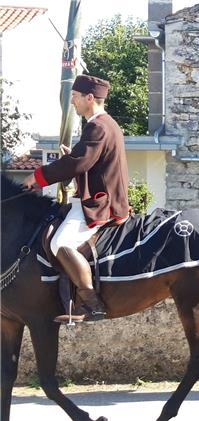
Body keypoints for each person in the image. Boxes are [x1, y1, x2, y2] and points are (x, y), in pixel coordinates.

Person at [22, 74, 130, 323]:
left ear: (89, 97)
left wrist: (36, 178)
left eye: (75, 97)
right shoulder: (104, 125)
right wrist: (75, 155)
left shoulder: (98, 127)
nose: (72, 102)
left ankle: (92, 303)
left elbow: (78, 163)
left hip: (102, 205)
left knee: (61, 243)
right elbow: (87, 161)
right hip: (99, 199)